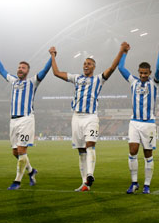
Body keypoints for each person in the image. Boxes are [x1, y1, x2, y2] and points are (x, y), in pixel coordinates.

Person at [50, 43, 125, 192]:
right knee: (80, 151)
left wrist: (121, 51)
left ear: (94, 67)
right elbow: (56, 73)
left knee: (90, 144)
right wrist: (52, 55)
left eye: (89, 64)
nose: (86, 65)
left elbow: (112, 67)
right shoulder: (76, 78)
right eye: (84, 63)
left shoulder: (99, 79)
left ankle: (90, 175)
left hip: (90, 117)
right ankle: (84, 183)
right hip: (76, 117)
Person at [0, 51, 52, 190]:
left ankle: (17, 181)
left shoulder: (33, 82)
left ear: (28, 71)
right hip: (13, 120)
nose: (20, 69)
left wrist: (52, 57)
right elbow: (1, 70)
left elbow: (44, 71)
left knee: (21, 150)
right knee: (15, 152)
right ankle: (31, 171)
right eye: (19, 67)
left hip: (26, 119)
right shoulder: (13, 80)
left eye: (23, 68)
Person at [117, 40, 159, 194]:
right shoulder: (133, 82)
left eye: (145, 73)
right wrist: (124, 52)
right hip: (135, 122)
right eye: (141, 73)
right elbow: (121, 68)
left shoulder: (154, 83)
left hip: (149, 123)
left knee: (148, 154)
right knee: (132, 151)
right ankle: (134, 182)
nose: (143, 75)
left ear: (149, 73)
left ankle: (147, 185)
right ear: (138, 72)